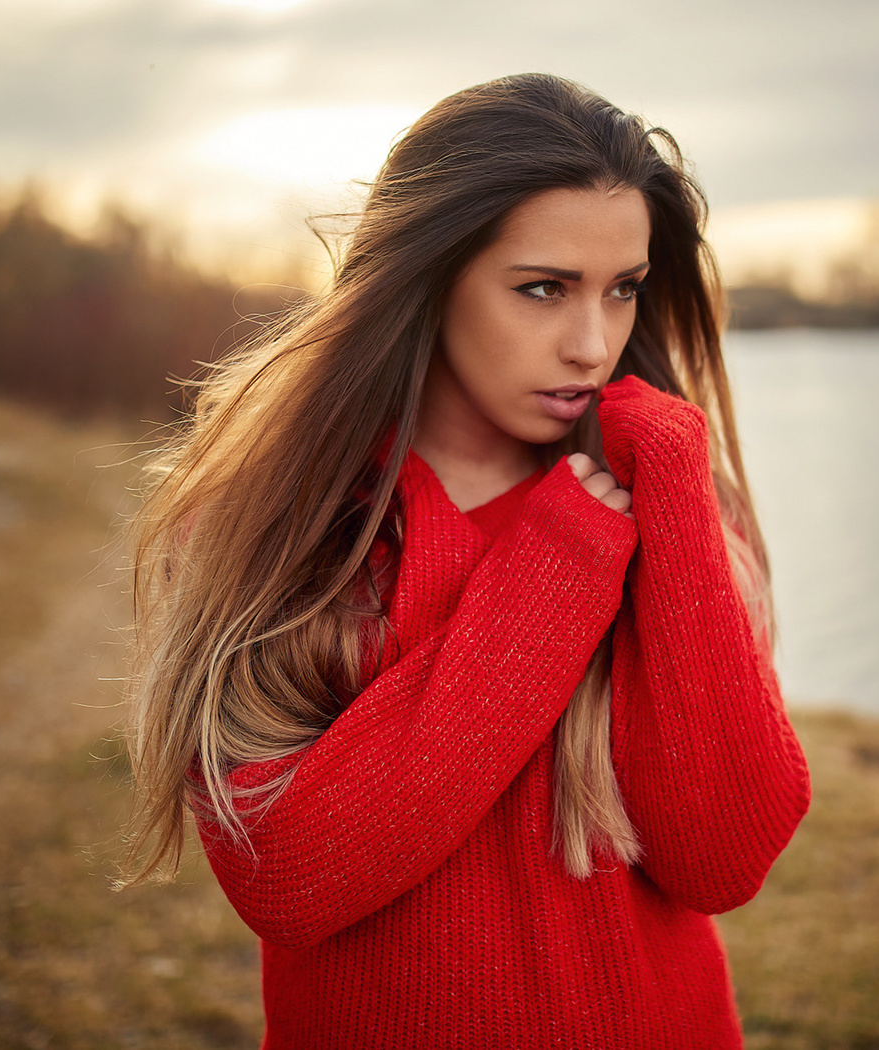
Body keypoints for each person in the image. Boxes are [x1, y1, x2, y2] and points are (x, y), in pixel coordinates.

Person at [119, 72, 811, 1049]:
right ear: (430, 275)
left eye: (623, 291)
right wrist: (557, 572)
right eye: (542, 289)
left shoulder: (671, 506)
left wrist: (679, 501)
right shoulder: (275, 530)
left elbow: (724, 859)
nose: (592, 345)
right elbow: (287, 877)